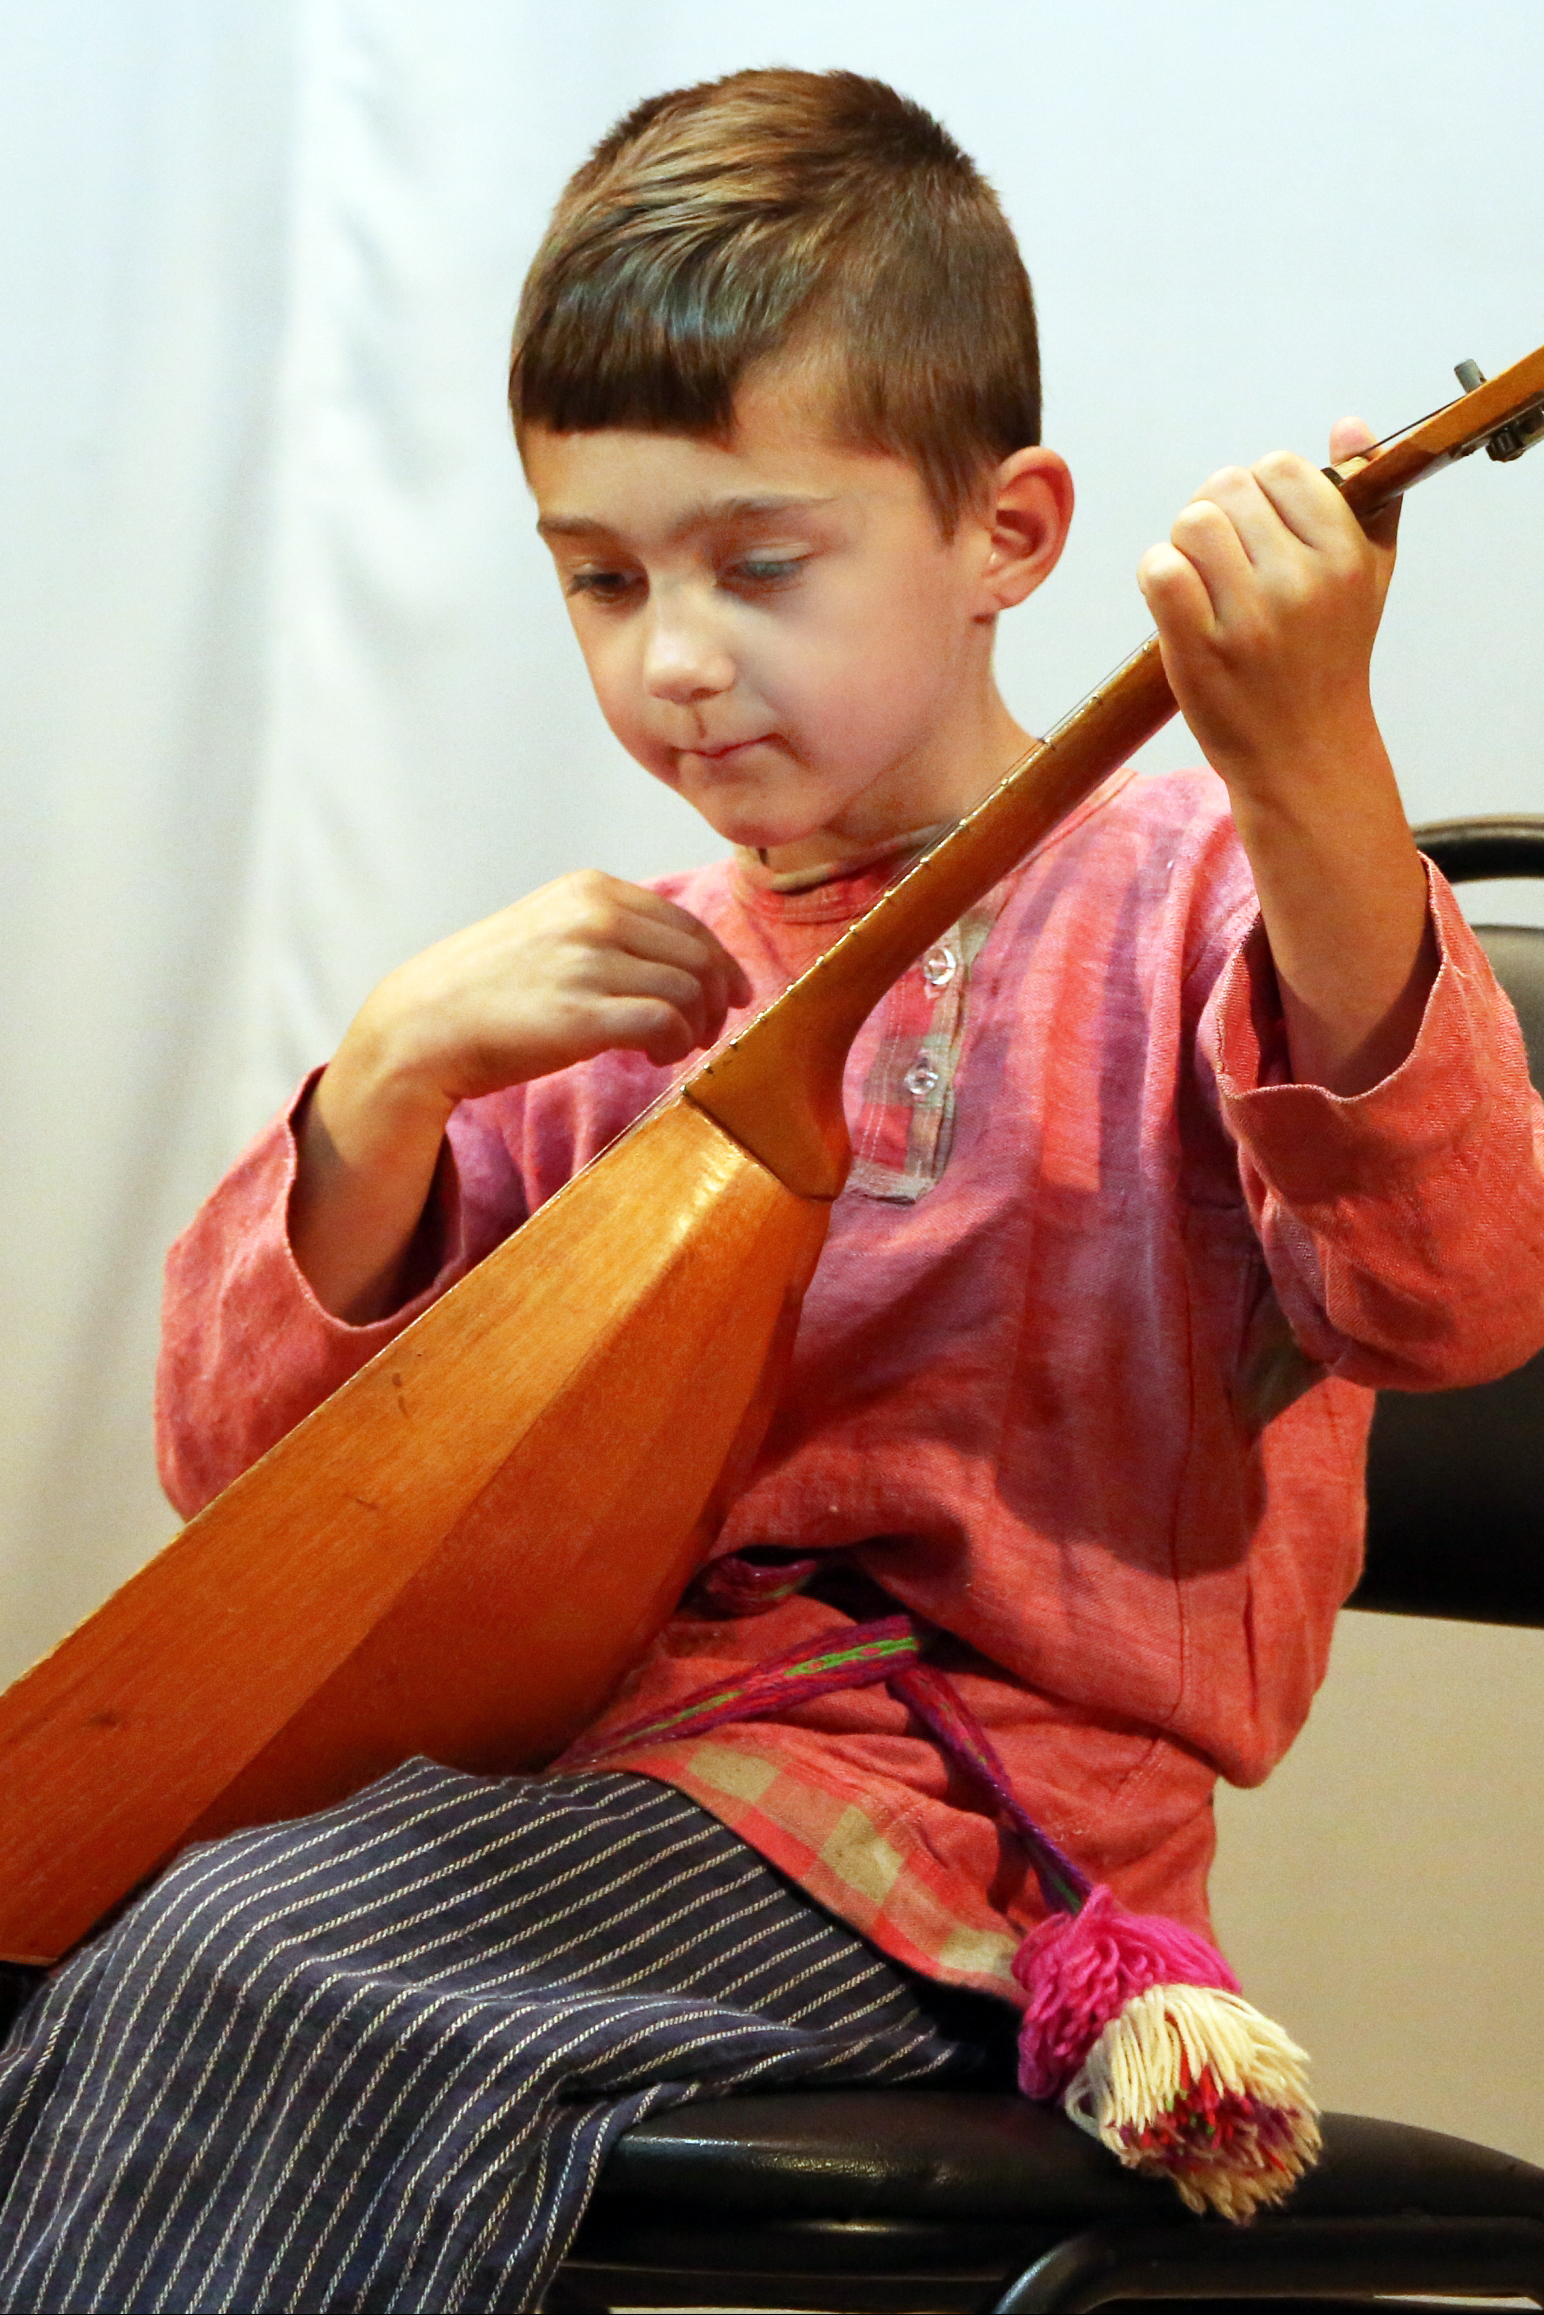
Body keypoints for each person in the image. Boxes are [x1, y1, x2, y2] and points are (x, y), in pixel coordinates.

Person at [3, 65, 1542, 2315]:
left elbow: (1455, 1293)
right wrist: (392, 1084)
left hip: (963, 1852)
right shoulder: (627, 985)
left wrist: (1308, 765)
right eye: (601, 577)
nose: (673, 658)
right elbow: (260, 1486)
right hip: (598, 1793)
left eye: (758, 565)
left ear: (1007, 534)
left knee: (252, 1957)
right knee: (66, 1926)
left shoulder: (1198, 904)